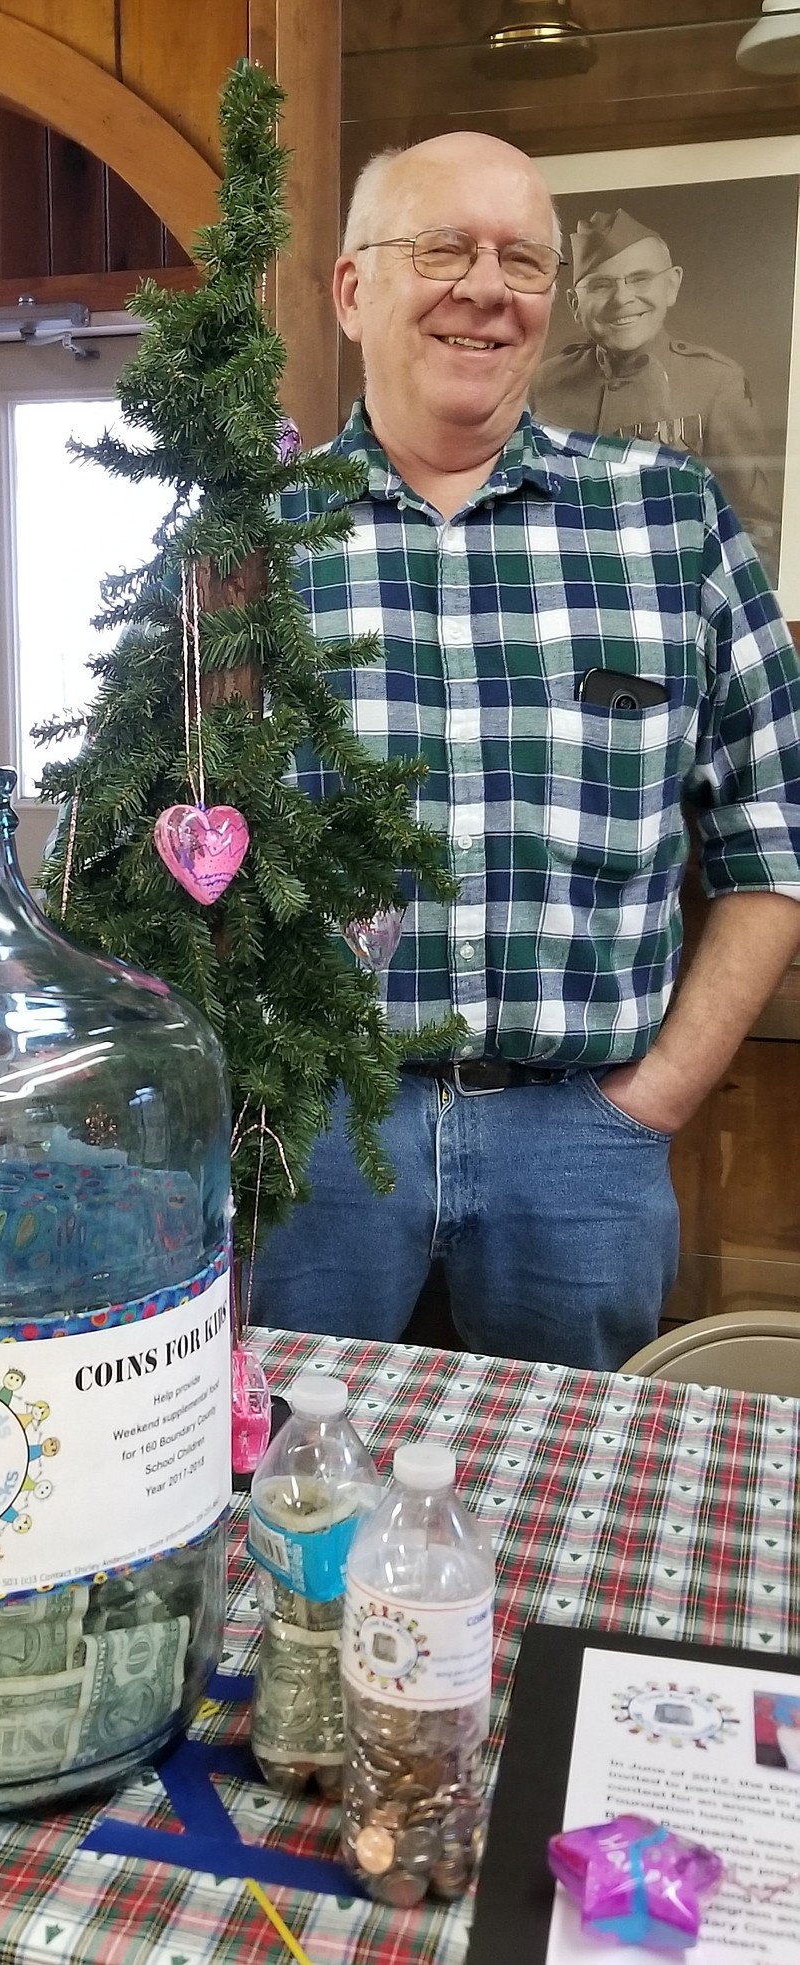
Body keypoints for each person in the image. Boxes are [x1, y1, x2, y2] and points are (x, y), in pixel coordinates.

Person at [253, 133, 800, 1371]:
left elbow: (779, 831)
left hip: (585, 1139)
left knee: (578, 1500)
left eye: (523, 259)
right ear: (352, 291)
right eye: (443, 247)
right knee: (290, 1484)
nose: (486, 287)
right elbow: (154, 850)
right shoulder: (250, 538)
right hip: (318, 1129)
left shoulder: (669, 517)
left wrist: (653, 1099)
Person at [532, 207, 779, 578]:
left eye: (640, 279)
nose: (622, 299)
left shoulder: (715, 382)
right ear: (574, 305)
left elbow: (756, 529)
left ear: (672, 285)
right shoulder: (544, 382)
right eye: (600, 285)